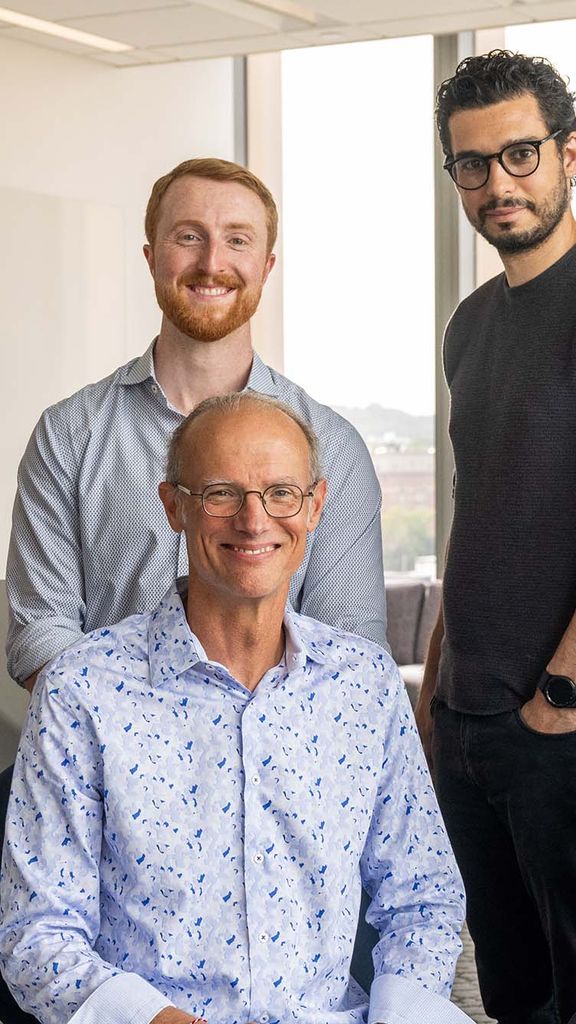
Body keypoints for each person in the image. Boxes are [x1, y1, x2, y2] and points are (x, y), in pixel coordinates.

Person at [0, 393, 470, 1024]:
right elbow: (38, 937)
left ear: (315, 506)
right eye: (221, 492)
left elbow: (425, 899)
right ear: (174, 506)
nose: (255, 520)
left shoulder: (366, 685)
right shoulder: (82, 690)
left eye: (281, 493)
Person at [6, 157, 385, 694]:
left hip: (279, 766)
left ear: (267, 266)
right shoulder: (69, 435)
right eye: (189, 236)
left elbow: (348, 652)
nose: (212, 262)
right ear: (151, 257)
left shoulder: (332, 448)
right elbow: (40, 636)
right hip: (106, 765)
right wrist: (156, 742)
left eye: (237, 240)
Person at [415, 49, 576, 1024]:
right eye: (471, 164)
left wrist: (563, 688)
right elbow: (480, 503)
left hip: (561, 720)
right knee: (510, 995)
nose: (496, 183)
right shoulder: (469, 326)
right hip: (469, 723)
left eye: (519, 154)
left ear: (569, 155)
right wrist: (438, 674)